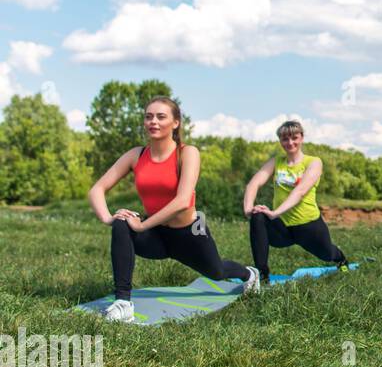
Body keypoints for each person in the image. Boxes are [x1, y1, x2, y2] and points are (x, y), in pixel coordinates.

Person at [87, 96, 256, 323]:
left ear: (175, 123)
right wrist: (109, 218)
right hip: (156, 236)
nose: (153, 122)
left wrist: (143, 224)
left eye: (160, 116)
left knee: (217, 272)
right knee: (121, 223)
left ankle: (249, 274)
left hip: (190, 232)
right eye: (148, 117)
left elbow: (183, 200)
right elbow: (97, 189)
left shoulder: (187, 153)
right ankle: (123, 302)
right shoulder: (136, 155)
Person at [244, 120, 348, 281]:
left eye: (294, 137)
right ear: (280, 141)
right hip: (282, 228)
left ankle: (341, 259)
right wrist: (248, 209)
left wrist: (275, 212)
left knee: (327, 254)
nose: (290, 142)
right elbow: (254, 183)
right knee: (258, 217)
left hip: (308, 226)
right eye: (285, 139)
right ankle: (262, 275)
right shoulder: (276, 162)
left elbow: (299, 192)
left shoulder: (313, 162)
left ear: (302, 138)